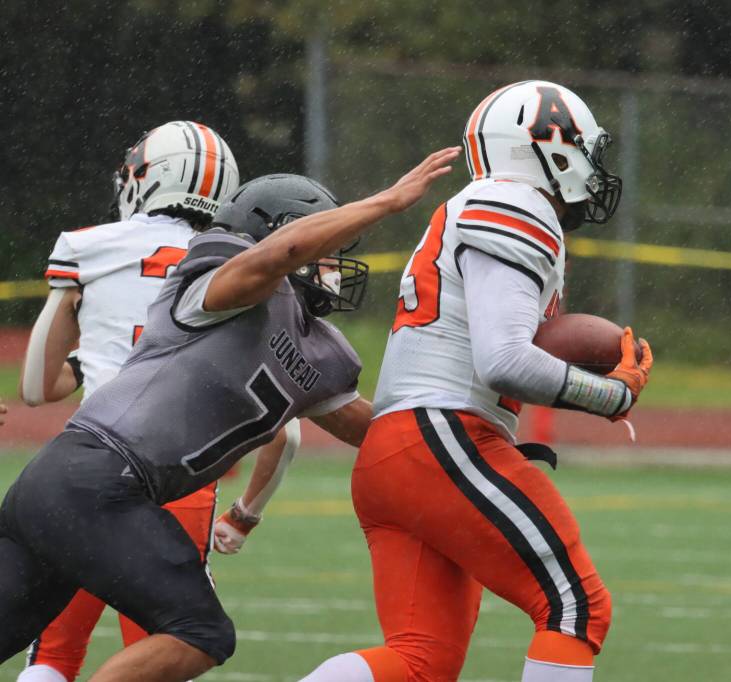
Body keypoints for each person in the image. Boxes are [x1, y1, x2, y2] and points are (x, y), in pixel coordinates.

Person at [0, 146, 461, 682]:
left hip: (75, 486)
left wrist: (468, 433)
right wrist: (384, 202)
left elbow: (376, 432)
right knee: (200, 631)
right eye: (330, 247)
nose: (337, 265)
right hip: (100, 475)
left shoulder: (322, 349)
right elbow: (275, 258)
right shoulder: (218, 271)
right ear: (278, 231)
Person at [301, 81, 653, 682]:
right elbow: (505, 361)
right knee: (576, 607)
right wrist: (610, 394)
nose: (593, 167)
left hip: (399, 451)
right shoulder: (517, 201)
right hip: (447, 437)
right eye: (584, 149)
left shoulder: (483, 200)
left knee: (419, 663)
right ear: (545, 147)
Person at [14, 121, 300, 682]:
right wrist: (245, 517)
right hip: (179, 481)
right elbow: (283, 433)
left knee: (54, 650)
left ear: (151, 178)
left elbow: (34, 389)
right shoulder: (235, 266)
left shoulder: (87, 246)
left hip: (83, 470)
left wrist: (94, 361)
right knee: (172, 642)